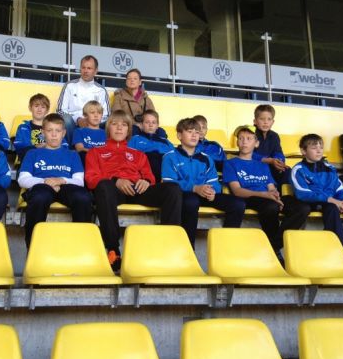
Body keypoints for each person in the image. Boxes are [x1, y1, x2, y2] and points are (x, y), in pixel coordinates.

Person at [85, 110, 182, 271]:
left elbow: (150, 176)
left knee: (172, 189)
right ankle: (113, 250)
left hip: (137, 189)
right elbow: (91, 179)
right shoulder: (95, 152)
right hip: (113, 192)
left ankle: (169, 248)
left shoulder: (138, 154)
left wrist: (146, 181)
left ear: (128, 130)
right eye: (115, 124)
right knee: (104, 186)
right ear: (108, 128)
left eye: (124, 125)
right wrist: (115, 181)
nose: (119, 128)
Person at [223, 126, 310, 260]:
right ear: (237, 142)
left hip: (267, 197)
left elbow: (270, 186)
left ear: (256, 143)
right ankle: (275, 253)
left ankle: (274, 245)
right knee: (271, 206)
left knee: (302, 208)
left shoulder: (263, 165)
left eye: (249, 139)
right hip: (250, 197)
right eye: (241, 138)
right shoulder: (230, 163)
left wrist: (275, 195)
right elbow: (237, 191)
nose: (244, 142)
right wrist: (266, 195)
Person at [162, 118, 245, 246]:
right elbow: (169, 183)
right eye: (190, 132)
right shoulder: (170, 156)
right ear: (179, 136)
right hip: (184, 195)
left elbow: (214, 182)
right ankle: (188, 248)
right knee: (191, 202)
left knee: (238, 204)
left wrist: (212, 191)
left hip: (205, 195)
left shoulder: (206, 158)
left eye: (197, 132)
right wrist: (194, 188)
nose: (194, 135)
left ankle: (227, 247)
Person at [291, 133, 343, 264]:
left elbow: (339, 189)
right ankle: (341, 258)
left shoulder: (329, 168)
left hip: (335, 202)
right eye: (314, 148)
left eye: (321, 147)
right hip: (316, 203)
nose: (319, 151)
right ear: (303, 151)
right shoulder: (298, 169)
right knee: (332, 208)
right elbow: (303, 193)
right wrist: (332, 200)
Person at [18, 113, 93, 249]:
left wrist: (61, 180)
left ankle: (81, 247)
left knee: (83, 197)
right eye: (49, 130)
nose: (54, 135)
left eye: (58, 131)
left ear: (63, 133)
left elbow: (79, 181)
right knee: (40, 197)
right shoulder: (32, 153)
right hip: (42, 185)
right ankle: (33, 247)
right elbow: (23, 179)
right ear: (43, 132)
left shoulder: (72, 154)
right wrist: (47, 181)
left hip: (66, 186)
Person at [57, 55, 110, 144]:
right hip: (72, 124)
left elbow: (107, 115)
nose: (85, 71)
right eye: (83, 67)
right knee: (66, 119)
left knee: (110, 123)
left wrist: (90, 120)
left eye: (89, 68)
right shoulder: (69, 86)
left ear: (95, 71)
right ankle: (71, 147)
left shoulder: (101, 90)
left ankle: (98, 148)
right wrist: (78, 119)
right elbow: (60, 110)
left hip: (94, 124)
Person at [128, 110, 173, 182]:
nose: (150, 125)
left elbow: (174, 159)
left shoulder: (165, 141)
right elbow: (128, 158)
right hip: (143, 173)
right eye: (147, 122)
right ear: (141, 125)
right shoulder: (135, 139)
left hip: (164, 173)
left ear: (157, 126)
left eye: (153, 122)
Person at [13, 93, 57, 164]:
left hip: (50, 163)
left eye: (43, 107)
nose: (39, 109)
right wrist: (37, 147)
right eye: (36, 106)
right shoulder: (23, 128)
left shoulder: (54, 128)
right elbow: (20, 149)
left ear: (47, 110)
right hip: (29, 163)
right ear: (30, 108)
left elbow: (64, 147)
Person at [252, 104, 289, 185]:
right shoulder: (250, 133)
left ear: (273, 122)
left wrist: (279, 161)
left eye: (269, 119)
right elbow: (247, 154)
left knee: (287, 170)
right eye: (262, 119)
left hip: (270, 165)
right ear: (255, 121)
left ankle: (280, 192)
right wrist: (268, 160)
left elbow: (278, 152)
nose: (266, 122)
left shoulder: (274, 136)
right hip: (254, 166)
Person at [111, 68, 156, 133]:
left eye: (135, 78)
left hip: (145, 127)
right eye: (129, 78)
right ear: (126, 82)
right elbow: (117, 115)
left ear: (140, 82)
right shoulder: (119, 96)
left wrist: (144, 125)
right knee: (135, 130)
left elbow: (153, 116)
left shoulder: (146, 98)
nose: (132, 80)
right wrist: (134, 124)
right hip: (127, 127)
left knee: (161, 132)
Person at [72, 100, 107, 166]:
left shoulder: (106, 133)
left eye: (99, 113)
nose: (96, 115)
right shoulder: (79, 131)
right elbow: (80, 149)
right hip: (87, 160)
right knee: (82, 154)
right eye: (92, 112)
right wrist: (95, 153)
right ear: (85, 115)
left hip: (103, 161)